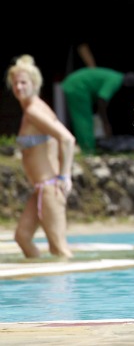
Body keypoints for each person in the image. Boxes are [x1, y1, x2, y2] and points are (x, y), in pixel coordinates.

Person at [5, 55, 76, 258]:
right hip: (40, 191)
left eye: (23, 82)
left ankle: (71, 288)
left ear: (34, 83)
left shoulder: (35, 111)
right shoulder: (31, 110)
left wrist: (65, 176)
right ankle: (43, 284)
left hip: (50, 188)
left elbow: (67, 140)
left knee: (59, 248)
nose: (19, 87)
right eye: (15, 83)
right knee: (22, 236)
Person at [61, 66, 134, 154]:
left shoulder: (115, 76)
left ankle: (86, 148)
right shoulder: (115, 81)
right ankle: (88, 150)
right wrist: (105, 122)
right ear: (128, 84)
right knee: (83, 120)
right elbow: (102, 99)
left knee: (82, 119)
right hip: (78, 86)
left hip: (75, 83)